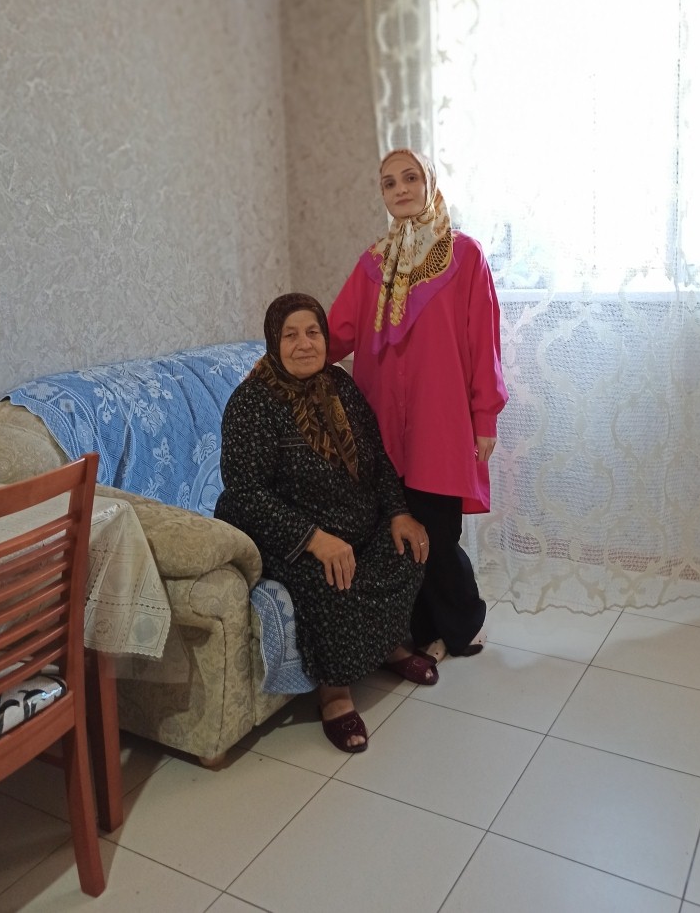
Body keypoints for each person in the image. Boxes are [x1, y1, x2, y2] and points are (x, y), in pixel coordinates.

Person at [214, 292, 435, 755]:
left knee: (408, 548)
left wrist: (398, 512)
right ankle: (335, 693)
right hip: (289, 531)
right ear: (273, 342)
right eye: (290, 335)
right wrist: (314, 539)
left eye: (313, 332)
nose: (304, 344)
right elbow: (245, 493)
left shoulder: (339, 386)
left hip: (355, 522)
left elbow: (376, 458)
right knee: (333, 579)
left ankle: (390, 647)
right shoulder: (252, 403)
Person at [328, 149, 508, 667]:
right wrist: (282, 357)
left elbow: (483, 343)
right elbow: (337, 332)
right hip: (383, 421)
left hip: (440, 421)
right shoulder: (372, 266)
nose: (401, 189)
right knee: (397, 532)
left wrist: (484, 417)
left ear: (429, 184)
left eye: (410, 178)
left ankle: (463, 622)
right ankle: (418, 629)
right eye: (389, 182)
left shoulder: (465, 257)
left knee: (438, 533)